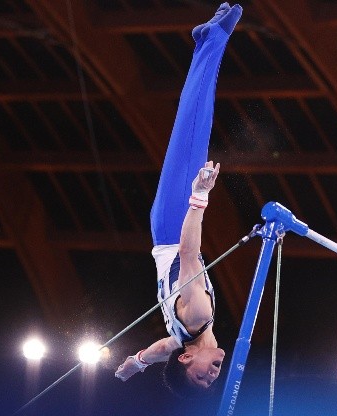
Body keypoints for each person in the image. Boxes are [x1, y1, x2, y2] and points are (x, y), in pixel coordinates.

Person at [114, 2, 242, 397]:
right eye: (213, 381)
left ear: (188, 360)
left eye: (201, 376)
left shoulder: (199, 315)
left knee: (193, 127)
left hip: (174, 225)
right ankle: (207, 41)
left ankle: (213, 38)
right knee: (192, 126)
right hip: (163, 229)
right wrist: (133, 365)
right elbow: (159, 352)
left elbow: (189, 253)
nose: (213, 374)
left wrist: (199, 197)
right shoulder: (179, 337)